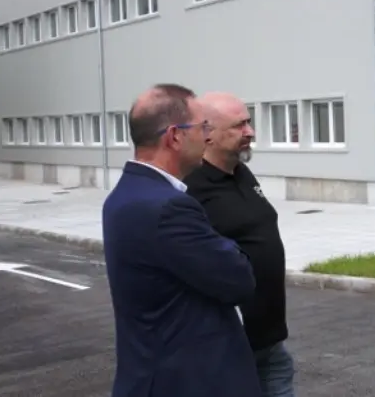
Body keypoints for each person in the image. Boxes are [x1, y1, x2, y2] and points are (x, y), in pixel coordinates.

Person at [102, 84, 261, 397]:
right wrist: (229, 246)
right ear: (175, 136)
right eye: (202, 127)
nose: (207, 137)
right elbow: (239, 278)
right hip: (188, 382)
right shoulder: (168, 208)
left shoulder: (126, 194)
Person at [185, 92, 296, 397]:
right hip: (230, 345)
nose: (250, 132)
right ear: (207, 134)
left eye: (249, 122)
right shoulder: (191, 189)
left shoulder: (241, 172)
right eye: (238, 126)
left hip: (270, 340)